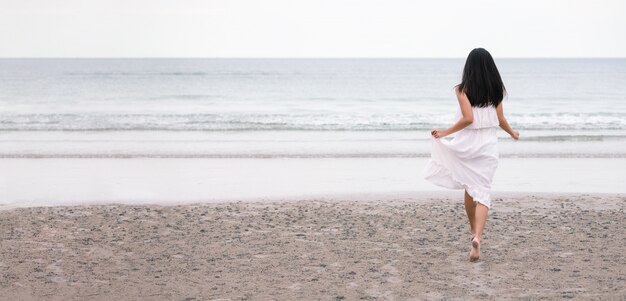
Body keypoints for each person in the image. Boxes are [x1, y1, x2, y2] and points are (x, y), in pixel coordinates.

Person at [423, 48, 519, 262]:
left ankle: (472, 231)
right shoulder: (496, 90)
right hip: (487, 146)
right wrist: (512, 133)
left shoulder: (462, 89)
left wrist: (444, 133)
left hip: (468, 145)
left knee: (469, 187)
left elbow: (468, 119)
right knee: (483, 190)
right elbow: (501, 119)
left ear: (469, 67)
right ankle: (478, 236)